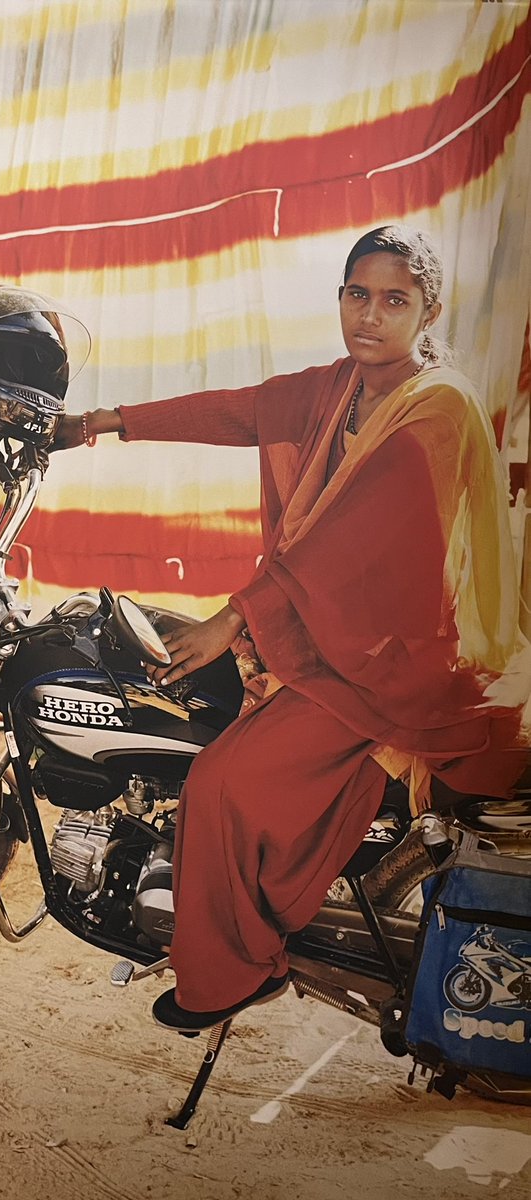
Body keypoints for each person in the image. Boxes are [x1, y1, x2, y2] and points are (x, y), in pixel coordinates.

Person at [52, 226, 529, 1033]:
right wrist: (104, 420)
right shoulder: (342, 386)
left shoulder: (434, 408)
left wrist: (230, 617)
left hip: (401, 661)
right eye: (355, 295)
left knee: (222, 784)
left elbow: (346, 543)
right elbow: (242, 409)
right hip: (336, 636)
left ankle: (233, 970)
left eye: (393, 301)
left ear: (427, 310)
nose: (369, 316)